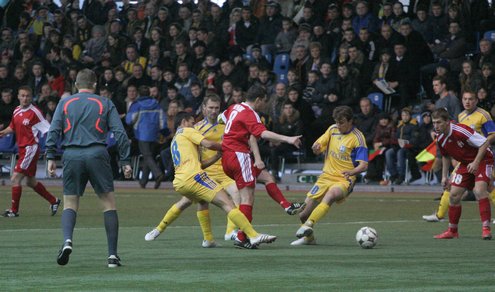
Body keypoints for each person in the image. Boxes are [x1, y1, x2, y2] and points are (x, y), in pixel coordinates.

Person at [46, 69, 132, 267]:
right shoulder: (105, 103)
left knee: (70, 203)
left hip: (71, 154)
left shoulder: (65, 103)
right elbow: (120, 134)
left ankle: (67, 240)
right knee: (108, 204)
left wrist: (50, 156)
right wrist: (125, 161)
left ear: (76, 85)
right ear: (95, 85)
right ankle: (112, 256)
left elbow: (54, 130)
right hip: (97, 153)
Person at [158, 111, 277, 248]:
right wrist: (229, 148)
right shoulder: (187, 131)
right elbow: (208, 144)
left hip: (180, 181)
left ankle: (208, 239)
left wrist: (216, 156)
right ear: (184, 122)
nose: (193, 125)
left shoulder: (176, 139)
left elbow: (199, 163)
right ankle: (252, 235)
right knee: (228, 204)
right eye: (191, 122)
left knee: (198, 203)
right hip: (195, 177)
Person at [144, 94, 242, 246]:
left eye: (216, 108)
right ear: (204, 108)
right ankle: (159, 228)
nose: (214, 111)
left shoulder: (226, 125)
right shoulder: (194, 128)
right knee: (186, 202)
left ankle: (230, 232)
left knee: (236, 193)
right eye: (210, 107)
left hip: (223, 171)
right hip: (203, 172)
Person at [220, 85, 305, 248]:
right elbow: (262, 134)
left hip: (228, 157)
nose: (265, 104)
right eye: (264, 101)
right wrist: (288, 139)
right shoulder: (250, 114)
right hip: (239, 156)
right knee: (248, 198)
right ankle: (241, 236)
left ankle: (286, 205)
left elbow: (221, 118)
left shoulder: (234, 107)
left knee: (266, 177)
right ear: (258, 100)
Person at [291, 106, 368, 245]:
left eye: (342, 123)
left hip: (345, 179)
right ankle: (309, 238)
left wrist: (352, 172)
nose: (338, 126)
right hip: (325, 177)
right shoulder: (332, 130)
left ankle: (308, 225)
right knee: (303, 214)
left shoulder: (358, 138)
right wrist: (316, 148)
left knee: (331, 195)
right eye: (337, 122)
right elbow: (318, 148)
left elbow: (364, 165)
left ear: (350, 121)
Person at [423, 91, 495, 225]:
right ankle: (440, 215)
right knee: (451, 185)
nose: (467, 102)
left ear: (476, 101)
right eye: (465, 99)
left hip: (482, 154)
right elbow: (452, 140)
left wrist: (479, 145)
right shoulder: (461, 116)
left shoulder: (483, 115)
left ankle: (484, 226)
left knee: (487, 187)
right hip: (466, 157)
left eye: (470, 99)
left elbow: (492, 135)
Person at [0, 86, 60, 218]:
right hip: (22, 149)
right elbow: (12, 127)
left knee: (15, 178)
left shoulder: (35, 112)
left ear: (31, 97)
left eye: (27, 96)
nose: (25, 98)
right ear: (18, 96)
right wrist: (2, 133)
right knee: (30, 181)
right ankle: (54, 201)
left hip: (30, 148)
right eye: (22, 95)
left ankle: (14, 211)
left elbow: (48, 129)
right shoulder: (16, 110)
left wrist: (51, 149)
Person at [126, 85, 168, 189]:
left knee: (147, 156)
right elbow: (162, 120)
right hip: (155, 135)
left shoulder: (137, 105)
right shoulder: (156, 104)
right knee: (149, 157)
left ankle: (158, 174)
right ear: (149, 93)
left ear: (139, 94)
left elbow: (129, 120)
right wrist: (164, 132)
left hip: (142, 134)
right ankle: (143, 182)